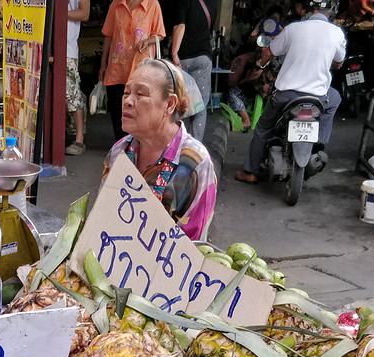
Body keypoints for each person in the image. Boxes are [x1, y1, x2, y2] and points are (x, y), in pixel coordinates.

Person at [103, 59, 217, 240]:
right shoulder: (119, 152)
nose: (128, 101)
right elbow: (103, 218)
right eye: (126, 92)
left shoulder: (195, 164)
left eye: (140, 94)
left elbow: (193, 246)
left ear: (170, 104)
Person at [234, 0, 346, 185]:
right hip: (318, 97)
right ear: (332, 11)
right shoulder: (337, 33)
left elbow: (270, 53)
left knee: (263, 128)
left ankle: (250, 171)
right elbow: (339, 62)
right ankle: (319, 143)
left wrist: (260, 64)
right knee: (335, 99)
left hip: (286, 95)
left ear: (309, 9)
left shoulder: (293, 29)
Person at [100, 0, 167, 141]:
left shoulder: (152, 4)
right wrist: (102, 65)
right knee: (118, 110)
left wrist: (147, 41)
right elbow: (109, 35)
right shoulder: (116, 5)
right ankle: (121, 143)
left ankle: (137, 143)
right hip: (117, 68)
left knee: (139, 108)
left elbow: (159, 34)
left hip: (141, 70)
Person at [164, 0, 219, 142]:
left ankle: (179, 144)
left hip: (183, 58)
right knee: (200, 104)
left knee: (182, 103)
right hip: (203, 58)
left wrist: (174, 53)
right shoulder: (213, 3)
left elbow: (180, 26)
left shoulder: (185, 2)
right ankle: (195, 147)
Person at [66, 0, 91, 155]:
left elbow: (84, 13)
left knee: (73, 94)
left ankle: (79, 139)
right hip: (44, 46)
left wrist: (61, 15)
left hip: (68, 50)